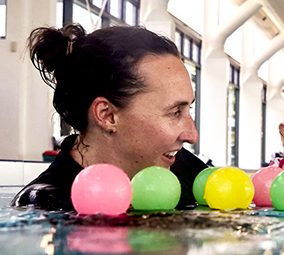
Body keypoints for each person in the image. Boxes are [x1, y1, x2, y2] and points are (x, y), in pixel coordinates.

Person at [12, 23, 206, 211]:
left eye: (188, 108)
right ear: (107, 115)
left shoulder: (179, 165)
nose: (192, 135)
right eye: (174, 112)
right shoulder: (50, 205)